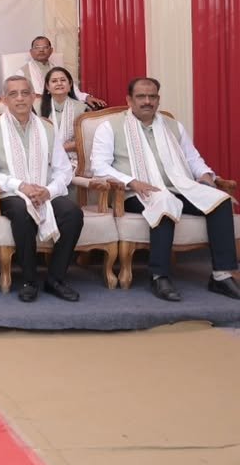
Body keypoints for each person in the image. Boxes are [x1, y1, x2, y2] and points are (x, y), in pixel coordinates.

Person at [90, 77, 240, 302]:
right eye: (141, 96)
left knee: (220, 200)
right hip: (134, 192)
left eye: (152, 97)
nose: (147, 101)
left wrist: (205, 175)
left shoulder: (173, 126)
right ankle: (159, 276)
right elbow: (99, 166)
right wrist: (132, 181)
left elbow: (193, 159)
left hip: (179, 186)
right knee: (163, 200)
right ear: (129, 100)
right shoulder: (110, 126)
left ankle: (221, 275)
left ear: (158, 100)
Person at [0, 76, 84, 303]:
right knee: (22, 211)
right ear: (5, 99)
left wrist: (48, 191)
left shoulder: (47, 128)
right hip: (10, 193)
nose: (20, 98)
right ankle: (29, 280)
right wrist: (20, 186)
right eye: (13, 94)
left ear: (33, 96)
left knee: (73, 213)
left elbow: (63, 170)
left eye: (25, 93)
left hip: (44, 191)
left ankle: (55, 279)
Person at [17, 36, 106, 109]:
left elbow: (73, 89)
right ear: (31, 52)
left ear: (51, 51)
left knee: (90, 111)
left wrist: (87, 97)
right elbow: (19, 96)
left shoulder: (59, 70)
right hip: (38, 109)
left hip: (63, 105)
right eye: (37, 48)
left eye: (45, 47)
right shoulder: (21, 73)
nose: (41, 50)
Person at [39, 66, 84, 171]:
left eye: (63, 80)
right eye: (54, 81)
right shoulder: (37, 108)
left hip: (73, 158)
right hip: (43, 157)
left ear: (70, 84)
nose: (59, 83)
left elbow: (85, 140)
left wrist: (61, 149)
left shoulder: (82, 108)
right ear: (47, 87)